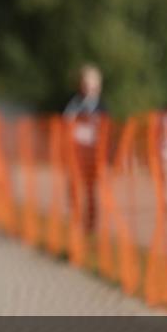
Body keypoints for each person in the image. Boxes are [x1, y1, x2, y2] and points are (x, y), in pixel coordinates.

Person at [63, 64, 107, 230]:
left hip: (93, 154)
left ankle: (90, 223)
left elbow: (105, 129)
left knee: (91, 190)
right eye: (85, 83)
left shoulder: (101, 107)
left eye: (92, 84)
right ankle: (75, 217)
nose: (88, 87)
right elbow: (66, 121)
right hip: (76, 153)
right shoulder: (74, 104)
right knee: (73, 186)